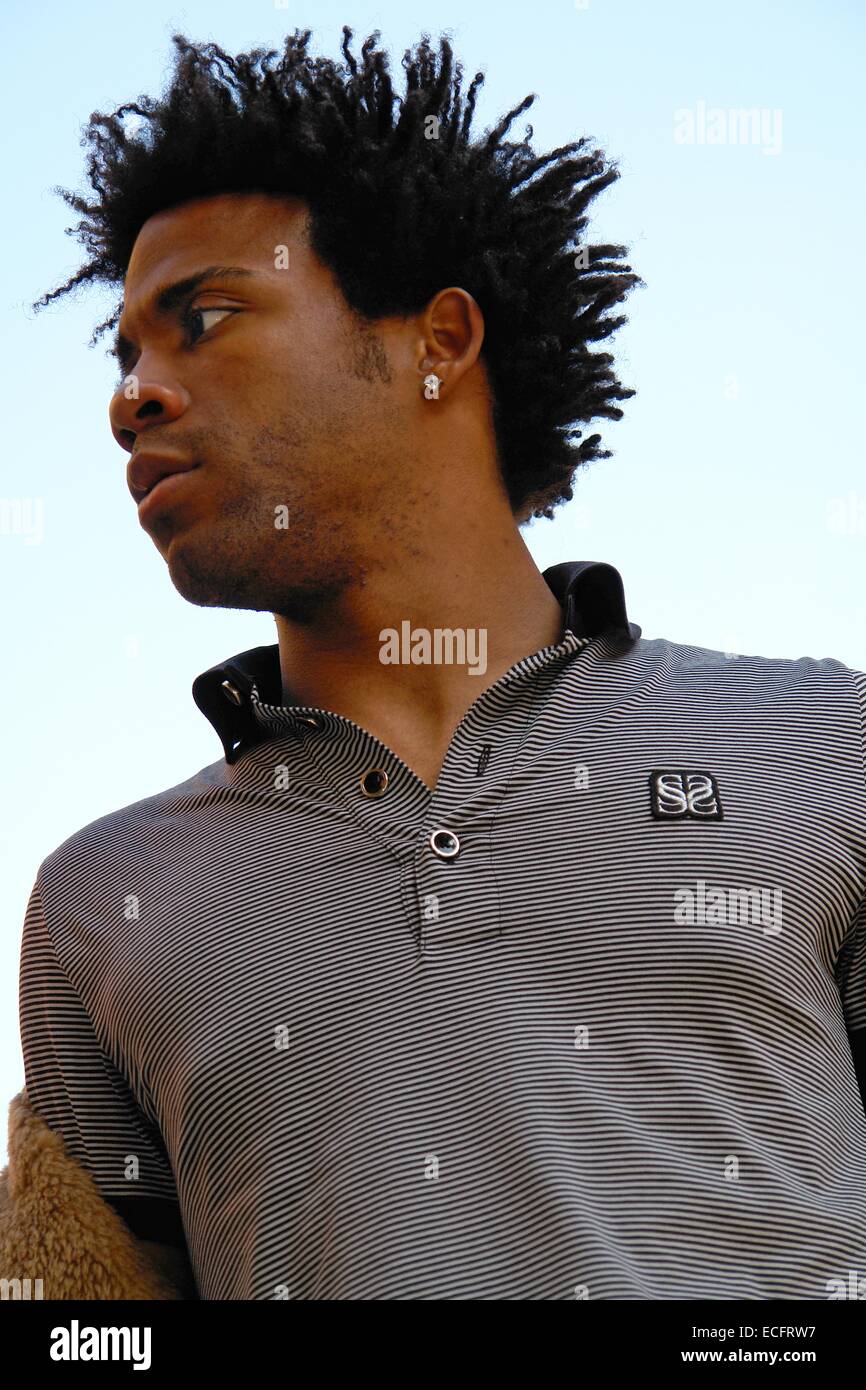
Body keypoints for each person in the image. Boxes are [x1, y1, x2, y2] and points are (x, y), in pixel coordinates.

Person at [11, 27, 866, 1300]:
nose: (134, 394)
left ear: (438, 342)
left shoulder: (820, 744)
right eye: (127, 352)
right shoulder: (98, 908)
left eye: (203, 320)